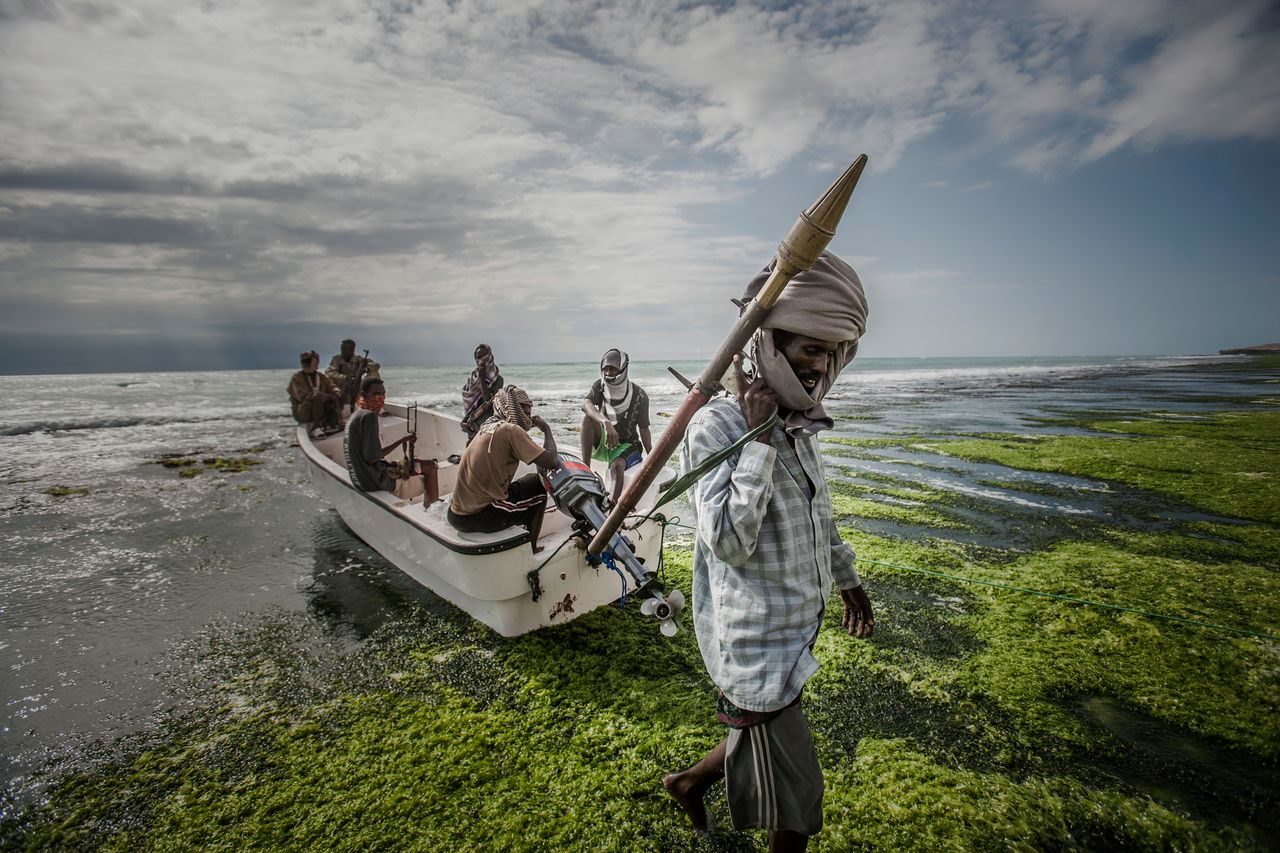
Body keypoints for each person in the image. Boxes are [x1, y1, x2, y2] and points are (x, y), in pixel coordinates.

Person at [663, 252, 875, 851]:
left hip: (795, 629)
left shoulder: (800, 425)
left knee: (762, 734)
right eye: (809, 348)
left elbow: (818, 518)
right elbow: (729, 542)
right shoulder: (719, 428)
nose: (820, 365)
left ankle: (688, 783)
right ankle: (689, 784)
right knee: (800, 809)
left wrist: (848, 578)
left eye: (831, 352)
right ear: (772, 345)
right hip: (753, 639)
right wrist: (757, 440)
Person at [447, 386, 557, 554]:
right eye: (524, 412)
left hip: (456, 515)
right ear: (512, 409)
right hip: (481, 515)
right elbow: (551, 461)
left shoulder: (487, 426)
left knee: (527, 481)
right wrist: (546, 430)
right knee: (538, 486)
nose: (527, 417)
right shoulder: (510, 430)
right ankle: (531, 548)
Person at [579, 348, 652, 506]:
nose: (608, 373)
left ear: (623, 369)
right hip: (605, 441)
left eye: (613, 369)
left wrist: (652, 455)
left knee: (617, 466)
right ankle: (585, 473)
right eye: (605, 369)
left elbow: (644, 428)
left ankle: (611, 508)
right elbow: (586, 404)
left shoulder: (640, 395)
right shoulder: (600, 386)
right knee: (588, 418)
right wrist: (606, 423)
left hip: (627, 445)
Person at [344, 376, 413, 495]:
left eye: (383, 394)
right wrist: (402, 441)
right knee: (429, 467)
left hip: (359, 480)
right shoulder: (369, 416)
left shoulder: (356, 415)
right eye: (376, 394)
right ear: (364, 395)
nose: (380, 398)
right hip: (373, 481)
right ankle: (433, 507)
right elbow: (372, 458)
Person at [288, 351, 342, 435]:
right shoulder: (297, 378)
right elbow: (302, 396)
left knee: (336, 397)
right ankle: (316, 428)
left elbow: (332, 388)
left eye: (309, 361)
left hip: (321, 409)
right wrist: (322, 395)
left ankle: (336, 423)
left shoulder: (322, 377)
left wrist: (336, 394)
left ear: (316, 363)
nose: (306, 364)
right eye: (304, 362)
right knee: (317, 396)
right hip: (303, 410)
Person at [460, 344, 505, 442]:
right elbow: (469, 403)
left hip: (487, 424)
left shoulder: (498, 379)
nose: (480, 359)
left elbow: (487, 399)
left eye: (483, 356)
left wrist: (482, 378)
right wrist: (465, 420)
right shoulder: (472, 378)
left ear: (489, 356)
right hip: (472, 423)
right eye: (478, 357)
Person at [327, 339, 381, 408]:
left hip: (357, 387)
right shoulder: (336, 359)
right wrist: (345, 377)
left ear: (352, 350)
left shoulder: (359, 359)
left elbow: (376, 366)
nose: (342, 351)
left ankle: (377, 400)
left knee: (374, 373)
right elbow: (330, 372)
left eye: (345, 349)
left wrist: (366, 366)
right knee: (329, 379)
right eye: (342, 348)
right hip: (341, 387)